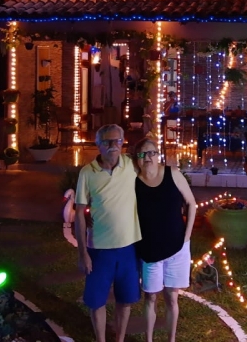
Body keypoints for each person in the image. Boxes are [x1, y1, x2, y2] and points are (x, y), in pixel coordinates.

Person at [74, 124, 141, 342]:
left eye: (118, 141)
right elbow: (78, 214)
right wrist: (82, 252)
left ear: (123, 143)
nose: (113, 146)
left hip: (129, 248)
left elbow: (154, 168)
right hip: (99, 249)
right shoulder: (87, 172)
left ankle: (119, 339)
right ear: (98, 144)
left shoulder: (131, 166)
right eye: (107, 142)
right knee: (96, 302)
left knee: (126, 300)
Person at [134, 137, 197, 342]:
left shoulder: (173, 174)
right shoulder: (134, 182)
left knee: (171, 297)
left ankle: (171, 339)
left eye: (152, 152)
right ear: (137, 159)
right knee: (150, 296)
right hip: (150, 250)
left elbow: (191, 204)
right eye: (142, 154)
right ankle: (149, 339)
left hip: (177, 248)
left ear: (158, 155)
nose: (148, 157)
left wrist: (186, 237)